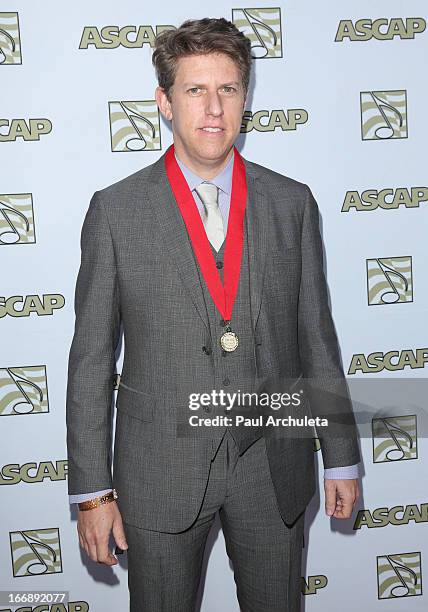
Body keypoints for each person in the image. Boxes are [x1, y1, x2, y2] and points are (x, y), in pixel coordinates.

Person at [66, 17, 361, 612]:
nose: (213, 108)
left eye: (227, 89)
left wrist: (342, 456)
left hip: (271, 466)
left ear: (246, 99)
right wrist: (93, 492)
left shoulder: (292, 203)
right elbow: (91, 362)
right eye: (195, 90)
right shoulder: (116, 212)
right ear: (164, 103)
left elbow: (317, 340)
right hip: (160, 473)